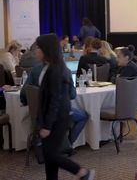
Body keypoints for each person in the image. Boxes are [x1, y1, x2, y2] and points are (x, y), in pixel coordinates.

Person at [34, 34, 94, 180]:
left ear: (46, 50)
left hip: (57, 120)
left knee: (51, 155)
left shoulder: (55, 70)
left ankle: (82, 172)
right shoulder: (50, 67)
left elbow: (56, 100)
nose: (36, 51)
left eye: (38, 48)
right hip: (55, 118)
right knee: (50, 157)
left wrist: (47, 125)